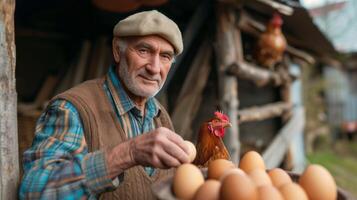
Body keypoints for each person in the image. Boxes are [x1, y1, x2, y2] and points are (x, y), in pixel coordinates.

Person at [19, 10, 190, 199]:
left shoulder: (160, 116)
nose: (154, 68)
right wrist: (128, 153)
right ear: (117, 51)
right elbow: (35, 192)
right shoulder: (72, 109)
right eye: (144, 51)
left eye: (165, 56)